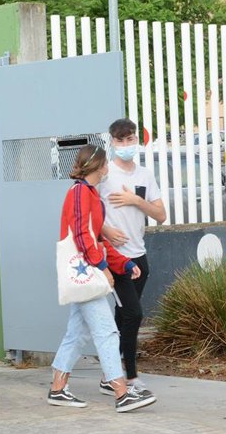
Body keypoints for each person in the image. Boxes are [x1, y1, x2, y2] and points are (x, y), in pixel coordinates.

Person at [47, 145, 157, 414]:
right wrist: (104, 266)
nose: (108, 167)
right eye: (106, 163)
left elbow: (96, 238)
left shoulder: (88, 193)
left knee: (77, 332)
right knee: (107, 331)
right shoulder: (80, 193)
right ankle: (120, 392)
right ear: (97, 166)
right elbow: (83, 235)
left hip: (86, 271)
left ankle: (58, 388)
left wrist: (123, 263)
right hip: (88, 271)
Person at [98, 118, 166, 398]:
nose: (125, 145)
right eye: (120, 140)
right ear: (112, 142)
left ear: (137, 140)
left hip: (139, 256)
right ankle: (131, 377)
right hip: (117, 258)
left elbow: (161, 215)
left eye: (130, 139)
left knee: (122, 317)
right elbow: (88, 213)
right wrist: (105, 231)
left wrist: (137, 201)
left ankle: (109, 376)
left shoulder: (145, 175)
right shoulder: (105, 174)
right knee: (133, 315)